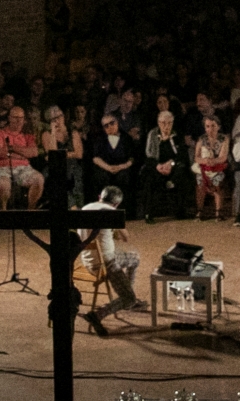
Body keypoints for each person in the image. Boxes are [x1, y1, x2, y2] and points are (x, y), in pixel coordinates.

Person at [78, 186, 142, 335]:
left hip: (86, 259)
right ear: (116, 204)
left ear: (100, 196)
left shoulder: (86, 207)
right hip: (105, 263)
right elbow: (125, 237)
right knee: (129, 298)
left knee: (133, 258)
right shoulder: (111, 213)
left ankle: (127, 291)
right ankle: (98, 314)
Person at [0, 105, 45, 210]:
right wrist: (22, 154)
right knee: (3, 185)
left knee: (39, 179)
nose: (18, 121)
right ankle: (3, 214)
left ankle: (30, 211)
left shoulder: (27, 135)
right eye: (15, 117)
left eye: (21, 118)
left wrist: (12, 148)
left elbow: (33, 152)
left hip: (23, 169)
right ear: (9, 118)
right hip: (3, 168)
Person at [142, 109, 189, 222]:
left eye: (169, 123)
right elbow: (148, 156)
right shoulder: (152, 134)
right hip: (157, 167)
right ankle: (148, 213)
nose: (166, 126)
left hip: (173, 166)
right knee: (149, 178)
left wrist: (170, 164)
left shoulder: (177, 134)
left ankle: (180, 211)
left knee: (181, 172)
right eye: (163, 123)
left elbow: (182, 156)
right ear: (158, 123)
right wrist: (158, 166)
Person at [89, 112, 139, 211]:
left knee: (124, 177)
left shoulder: (126, 138)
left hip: (122, 167)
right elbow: (95, 158)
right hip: (105, 167)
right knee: (101, 177)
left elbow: (132, 158)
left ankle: (125, 211)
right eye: (106, 125)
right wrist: (108, 168)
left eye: (112, 123)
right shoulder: (100, 139)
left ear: (117, 123)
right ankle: (103, 210)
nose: (110, 127)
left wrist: (120, 167)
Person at [190, 114, 229, 220]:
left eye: (213, 126)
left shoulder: (224, 139)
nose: (210, 129)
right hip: (204, 168)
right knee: (200, 185)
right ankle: (200, 211)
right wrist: (205, 161)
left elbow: (223, 157)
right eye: (207, 126)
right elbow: (196, 157)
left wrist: (214, 161)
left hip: (218, 167)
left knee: (218, 183)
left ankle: (218, 212)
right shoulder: (201, 139)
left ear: (218, 127)